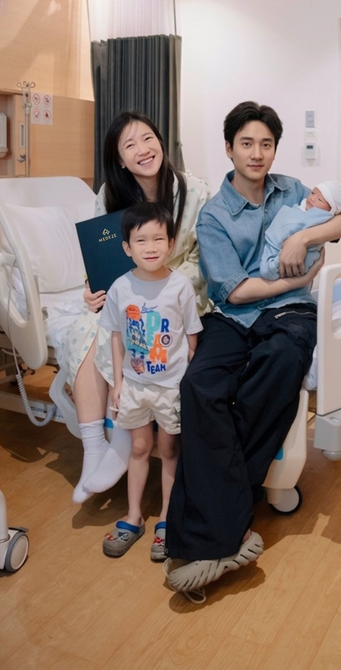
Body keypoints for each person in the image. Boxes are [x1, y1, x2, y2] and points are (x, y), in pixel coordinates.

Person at [164, 101, 341, 595]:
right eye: (246, 143)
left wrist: (303, 238)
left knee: (280, 360)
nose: (257, 153)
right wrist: (298, 279)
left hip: (290, 313)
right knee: (200, 385)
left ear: (275, 149)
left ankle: (210, 535)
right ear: (229, 148)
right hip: (236, 314)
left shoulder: (291, 189)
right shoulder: (214, 215)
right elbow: (234, 292)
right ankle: (231, 524)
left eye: (266, 144)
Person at [48, 111, 212, 504]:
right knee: (89, 329)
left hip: (179, 292)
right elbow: (98, 259)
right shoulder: (109, 196)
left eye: (148, 138)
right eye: (130, 145)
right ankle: (94, 448)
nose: (143, 149)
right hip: (125, 293)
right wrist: (91, 290)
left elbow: (204, 258)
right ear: (120, 159)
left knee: (138, 326)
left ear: (161, 142)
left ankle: (122, 440)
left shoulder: (194, 192)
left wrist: (157, 283)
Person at [98, 202, 202, 560]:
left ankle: (166, 519)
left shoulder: (180, 286)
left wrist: (185, 378)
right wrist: (117, 384)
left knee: (169, 451)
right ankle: (133, 517)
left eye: (159, 239)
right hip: (134, 386)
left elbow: (192, 336)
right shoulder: (120, 287)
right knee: (140, 448)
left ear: (171, 244)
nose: (151, 247)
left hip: (170, 388)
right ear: (127, 247)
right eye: (141, 240)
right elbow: (116, 337)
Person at [259, 180, 341, 280]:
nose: (312, 198)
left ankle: (274, 267)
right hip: (272, 251)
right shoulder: (301, 207)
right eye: (312, 193)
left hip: (297, 261)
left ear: (331, 209)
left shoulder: (294, 188)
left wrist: (301, 238)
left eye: (320, 200)